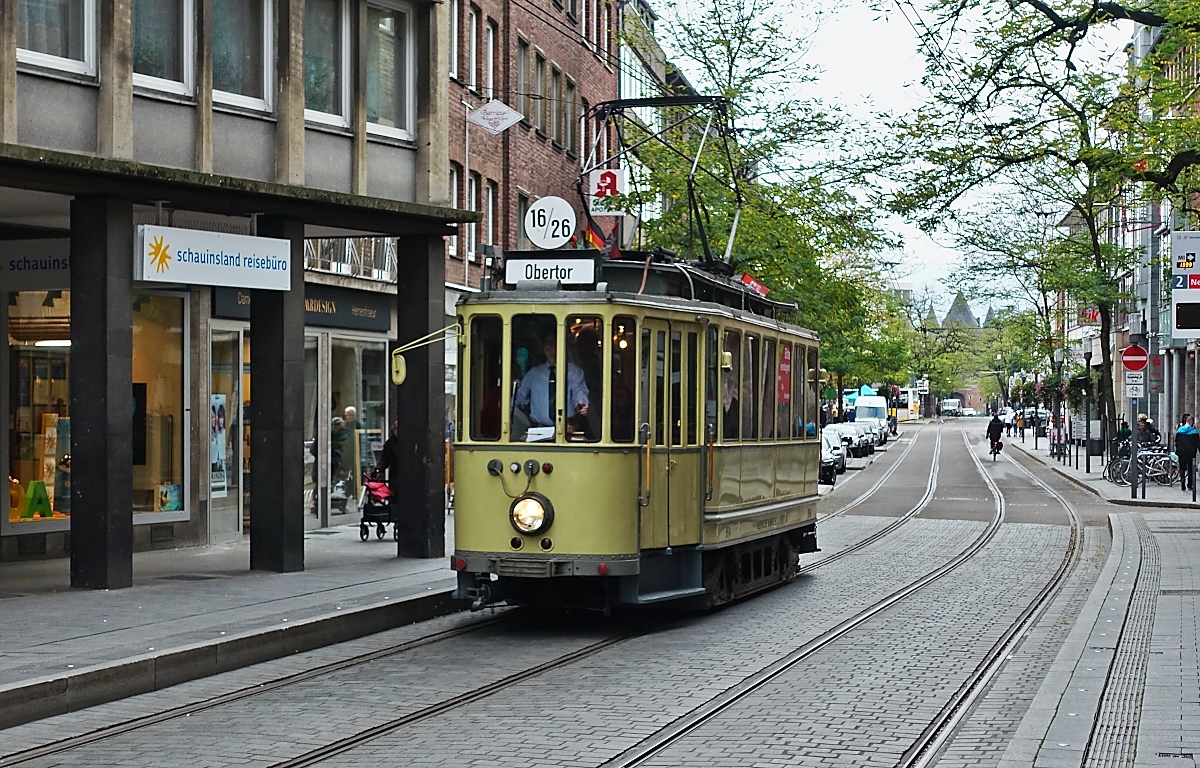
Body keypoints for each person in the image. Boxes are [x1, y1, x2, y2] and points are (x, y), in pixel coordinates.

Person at [512, 332, 589, 433]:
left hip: (566, 430)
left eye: (554, 343)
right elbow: (519, 399)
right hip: (538, 431)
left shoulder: (574, 371)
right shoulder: (533, 374)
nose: (550, 346)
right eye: (547, 343)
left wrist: (581, 404)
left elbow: (579, 391)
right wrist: (506, 405)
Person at [1176, 415, 1199, 492]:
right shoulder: (1194, 432)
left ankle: (1182, 480)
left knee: (1182, 468)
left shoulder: (1180, 431)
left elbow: (1176, 441)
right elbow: (1197, 443)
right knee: (1190, 469)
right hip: (1191, 453)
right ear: (1191, 422)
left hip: (1181, 452)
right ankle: (1189, 484)